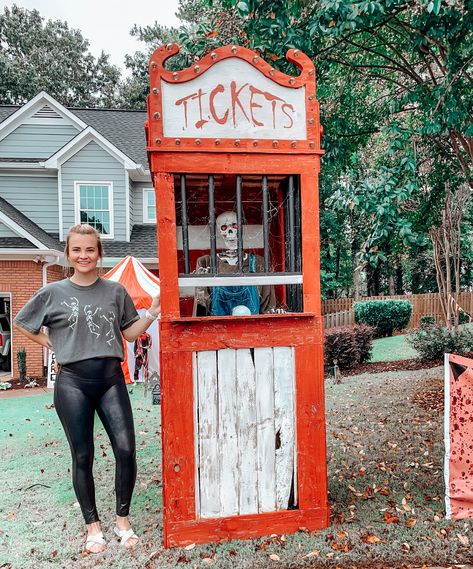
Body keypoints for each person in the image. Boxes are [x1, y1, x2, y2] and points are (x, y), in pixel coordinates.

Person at [14, 224, 160, 554]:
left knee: (125, 449)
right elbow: (23, 322)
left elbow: (131, 334)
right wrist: (51, 343)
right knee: (83, 455)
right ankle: (92, 527)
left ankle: (122, 521)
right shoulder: (53, 292)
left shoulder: (115, 291)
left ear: (99, 254)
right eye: (77, 250)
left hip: (110, 380)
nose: (83, 256)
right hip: (72, 384)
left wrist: (151, 312)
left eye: (90, 250)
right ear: (68, 253)